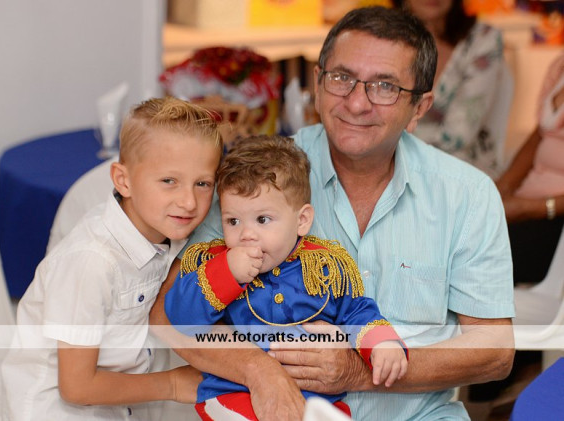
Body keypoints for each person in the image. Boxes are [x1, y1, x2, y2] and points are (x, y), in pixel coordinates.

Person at [151, 6, 515, 421]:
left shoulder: (467, 195)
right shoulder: (257, 175)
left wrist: (359, 372)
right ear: (318, 84)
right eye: (342, 78)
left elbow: (495, 351)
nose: (357, 103)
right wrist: (259, 370)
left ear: (419, 108)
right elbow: (166, 315)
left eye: (385, 86)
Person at [1, 97, 223, 421]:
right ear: (123, 180)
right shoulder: (91, 262)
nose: (189, 202)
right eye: (169, 181)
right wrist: (173, 385)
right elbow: (77, 387)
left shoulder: (167, 229)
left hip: (121, 405)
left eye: (202, 183)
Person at [164, 135, 408, 420]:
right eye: (233, 221)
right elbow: (181, 318)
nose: (246, 234)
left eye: (262, 220)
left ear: (302, 221)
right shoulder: (215, 263)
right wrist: (226, 272)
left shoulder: (323, 266)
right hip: (237, 394)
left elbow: (357, 311)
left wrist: (381, 344)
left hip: (315, 400)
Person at [392, 0, 512, 179]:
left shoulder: (482, 38)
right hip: (390, 165)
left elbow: (459, 135)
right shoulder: (382, 38)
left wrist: (385, 141)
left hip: (462, 170)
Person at [496, 51, 564, 285]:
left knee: (473, 256)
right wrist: (501, 189)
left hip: (555, 216)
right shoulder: (559, 65)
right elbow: (541, 134)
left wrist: (530, 208)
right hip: (530, 201)